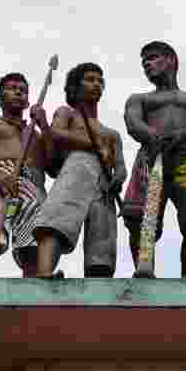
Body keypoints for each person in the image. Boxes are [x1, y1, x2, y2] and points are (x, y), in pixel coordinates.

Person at [123, 41, 186, 278]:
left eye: (153, 58)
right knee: (140, 216)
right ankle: (144, 271)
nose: (147, 64)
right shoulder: (140, 99)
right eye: (143, 62)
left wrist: (182, 135)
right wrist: (152, 136)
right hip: (151, 156)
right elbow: (132, 122)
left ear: (171, 60)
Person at [33, 62, 127, 278]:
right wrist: (91, 144)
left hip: (104, 182)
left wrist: (119, 177)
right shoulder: (68, 113)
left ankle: (99, 283)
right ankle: (44, 273)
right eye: (90, 79)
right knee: (58, 219)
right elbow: (56, 133)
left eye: (100, 81)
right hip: (77, 167)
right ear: (75, 87)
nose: (97, 85)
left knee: (102, 235)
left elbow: (120, 165)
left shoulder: (111, 134)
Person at [0, 73, 53, 278]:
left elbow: (52, 166)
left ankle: (34, 289)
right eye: (12, 87)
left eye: (23, 89)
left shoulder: (36, 134)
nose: (18, 91)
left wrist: (44, 125)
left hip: (33, 183)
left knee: (31, 243)